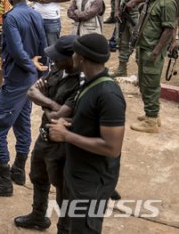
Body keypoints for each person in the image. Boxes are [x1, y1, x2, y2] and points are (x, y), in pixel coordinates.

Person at [47, 33, 125, 234]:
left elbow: (112, 147)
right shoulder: (89, 83)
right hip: (79, 173)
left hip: (93, 180)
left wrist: (66, 135)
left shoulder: (108, 94)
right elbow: (90, 122)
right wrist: (70, 123)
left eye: (75, 53)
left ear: (80, 57)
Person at [0, 0, 46, 198]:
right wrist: (37, 69)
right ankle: (18, 169)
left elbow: (16, 50)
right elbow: (44, 48)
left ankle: (4, 180)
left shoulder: (11, 17)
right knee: (22, 124)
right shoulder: (35, 14)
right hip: (30, 79)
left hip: (18, 79)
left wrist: (29, 65)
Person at [13, 35, 81, 232]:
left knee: (64, 191)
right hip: (45, 137)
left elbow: (58, 116)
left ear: (74, 58)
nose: (54, 61)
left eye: (59, 57)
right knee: (38, 176)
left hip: (64, 144)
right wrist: (49, 102)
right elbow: (32, 91)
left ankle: (64, 229)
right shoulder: (58, 69)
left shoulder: (82, 82)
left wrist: (44, 100)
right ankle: (38, 216)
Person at [131, 0, 177, 133]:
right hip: (144, 47)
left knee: (150, 84)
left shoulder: (167, 2)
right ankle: (153, 114)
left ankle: (150, 122)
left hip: (152, 50)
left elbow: (168, 29)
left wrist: (156, 52)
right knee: (145, 82)